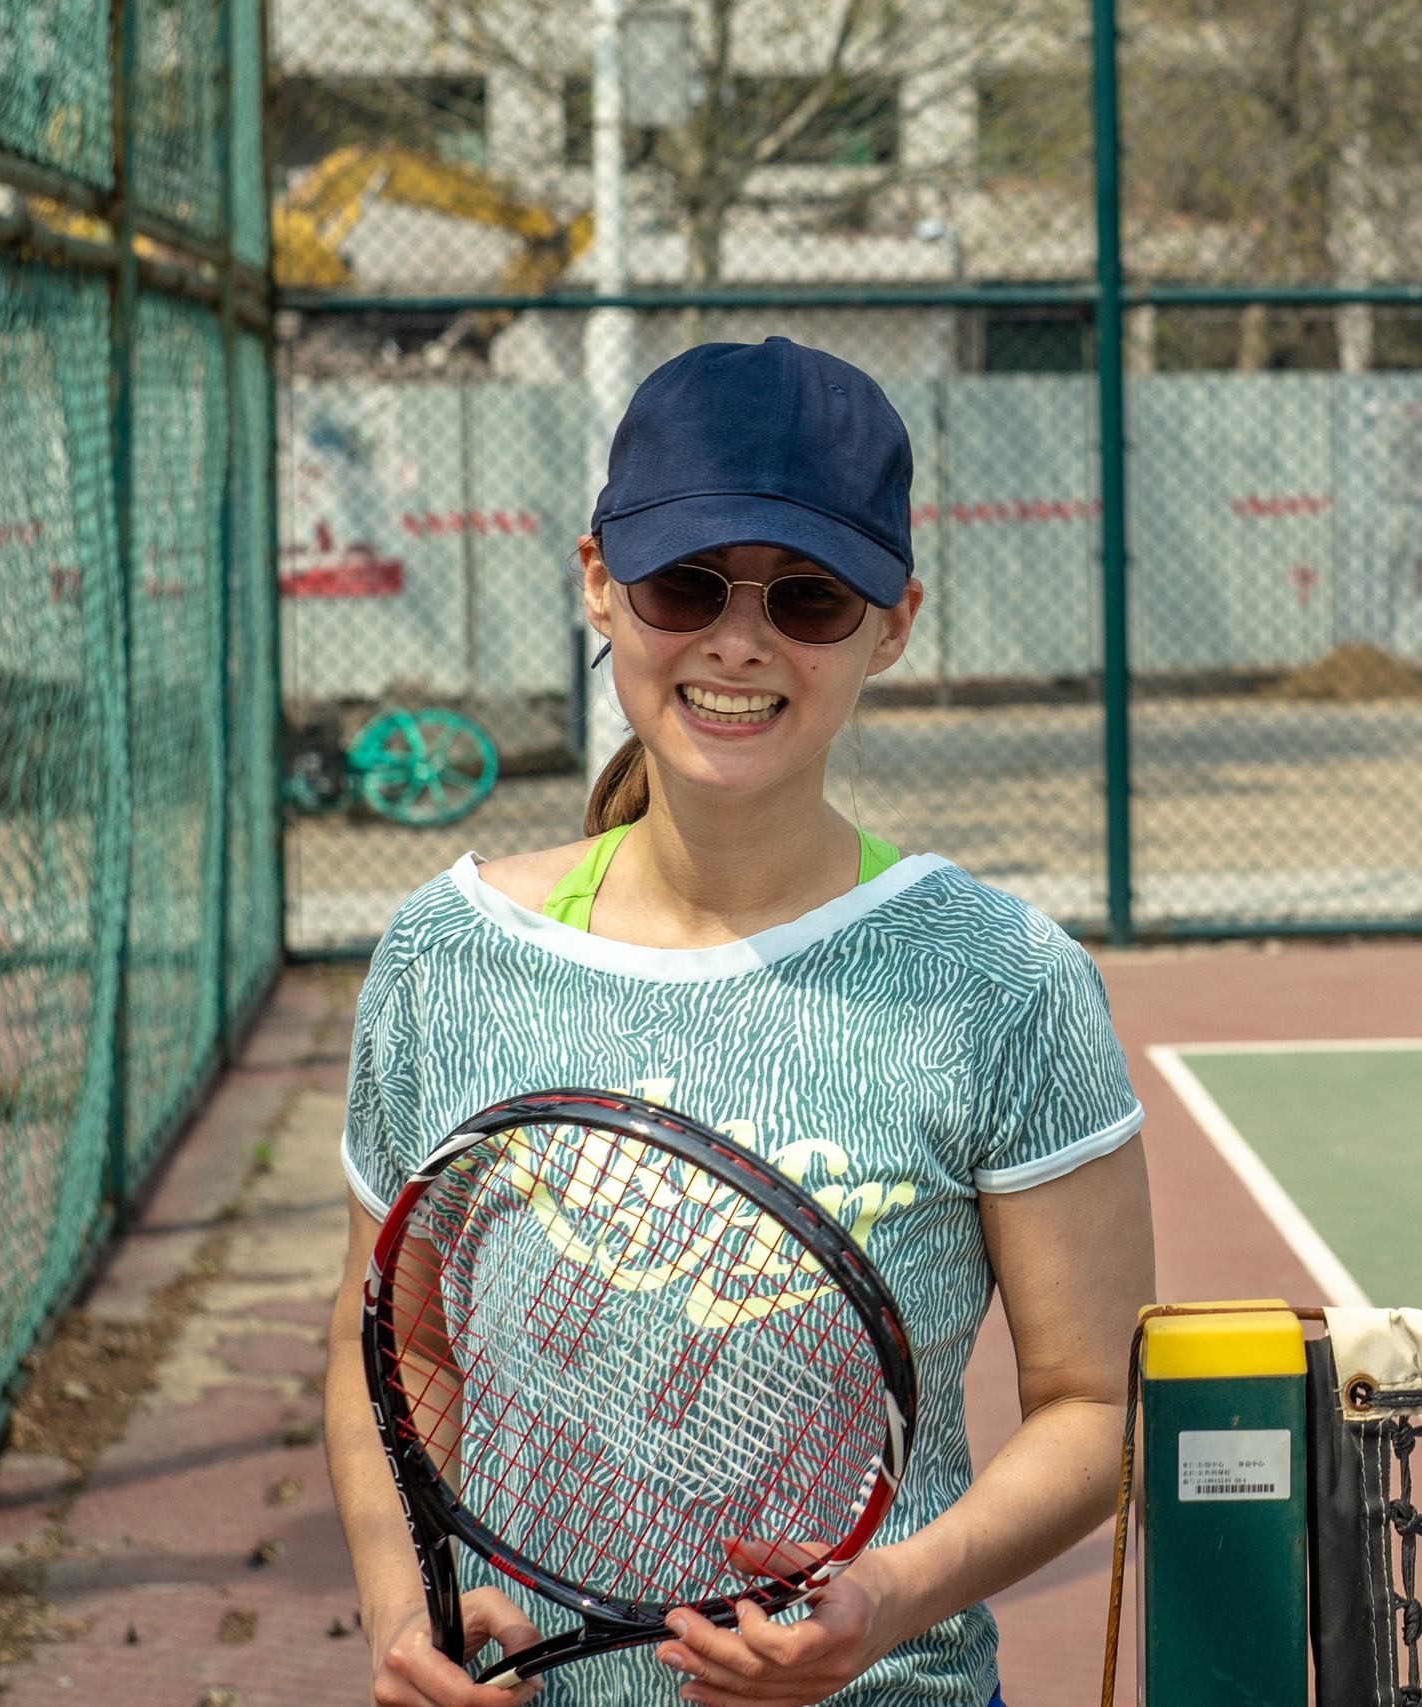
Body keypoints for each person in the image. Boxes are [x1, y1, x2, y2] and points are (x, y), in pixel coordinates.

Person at [322, 338, 1155, 1707]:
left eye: (811, 598)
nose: (738, 639)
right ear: (599, 581)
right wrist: (398, 1596)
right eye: (683, 583)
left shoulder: (1003, 979)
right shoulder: (449, 955)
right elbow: (395, 1343)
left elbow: (1100, 1406)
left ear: (894, 622)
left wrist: (888, 1598)